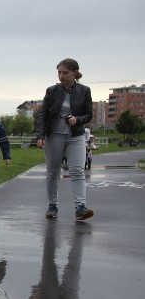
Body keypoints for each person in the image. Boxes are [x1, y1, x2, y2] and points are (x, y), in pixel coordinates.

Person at [35, 58, 94, 220]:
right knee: (53, 172)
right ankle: (52, 206)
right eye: (59, 72)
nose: (61, 76)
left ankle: (80, 208)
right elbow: (43, 114)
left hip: (75, 136)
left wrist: (78, 119)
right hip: (54, 136)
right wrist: (40, 136)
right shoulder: (52, 91)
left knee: (77, 170)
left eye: (65, 73)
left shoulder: (84, 90)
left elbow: (89, 114)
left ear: (74, 73)